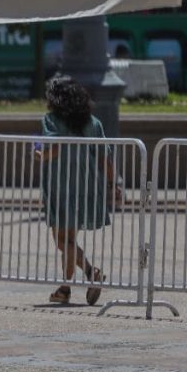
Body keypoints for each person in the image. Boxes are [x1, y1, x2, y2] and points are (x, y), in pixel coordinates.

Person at [35, 76, 118, 306]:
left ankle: (80, 279)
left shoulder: (50, 120)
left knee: (64, 241)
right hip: (87, 187)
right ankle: (71, 285)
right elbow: (105, 159)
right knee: (68, 240)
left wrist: (40, 155)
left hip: (61, 186)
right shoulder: (93, 122)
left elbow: (50, 150)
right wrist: (113, 185)